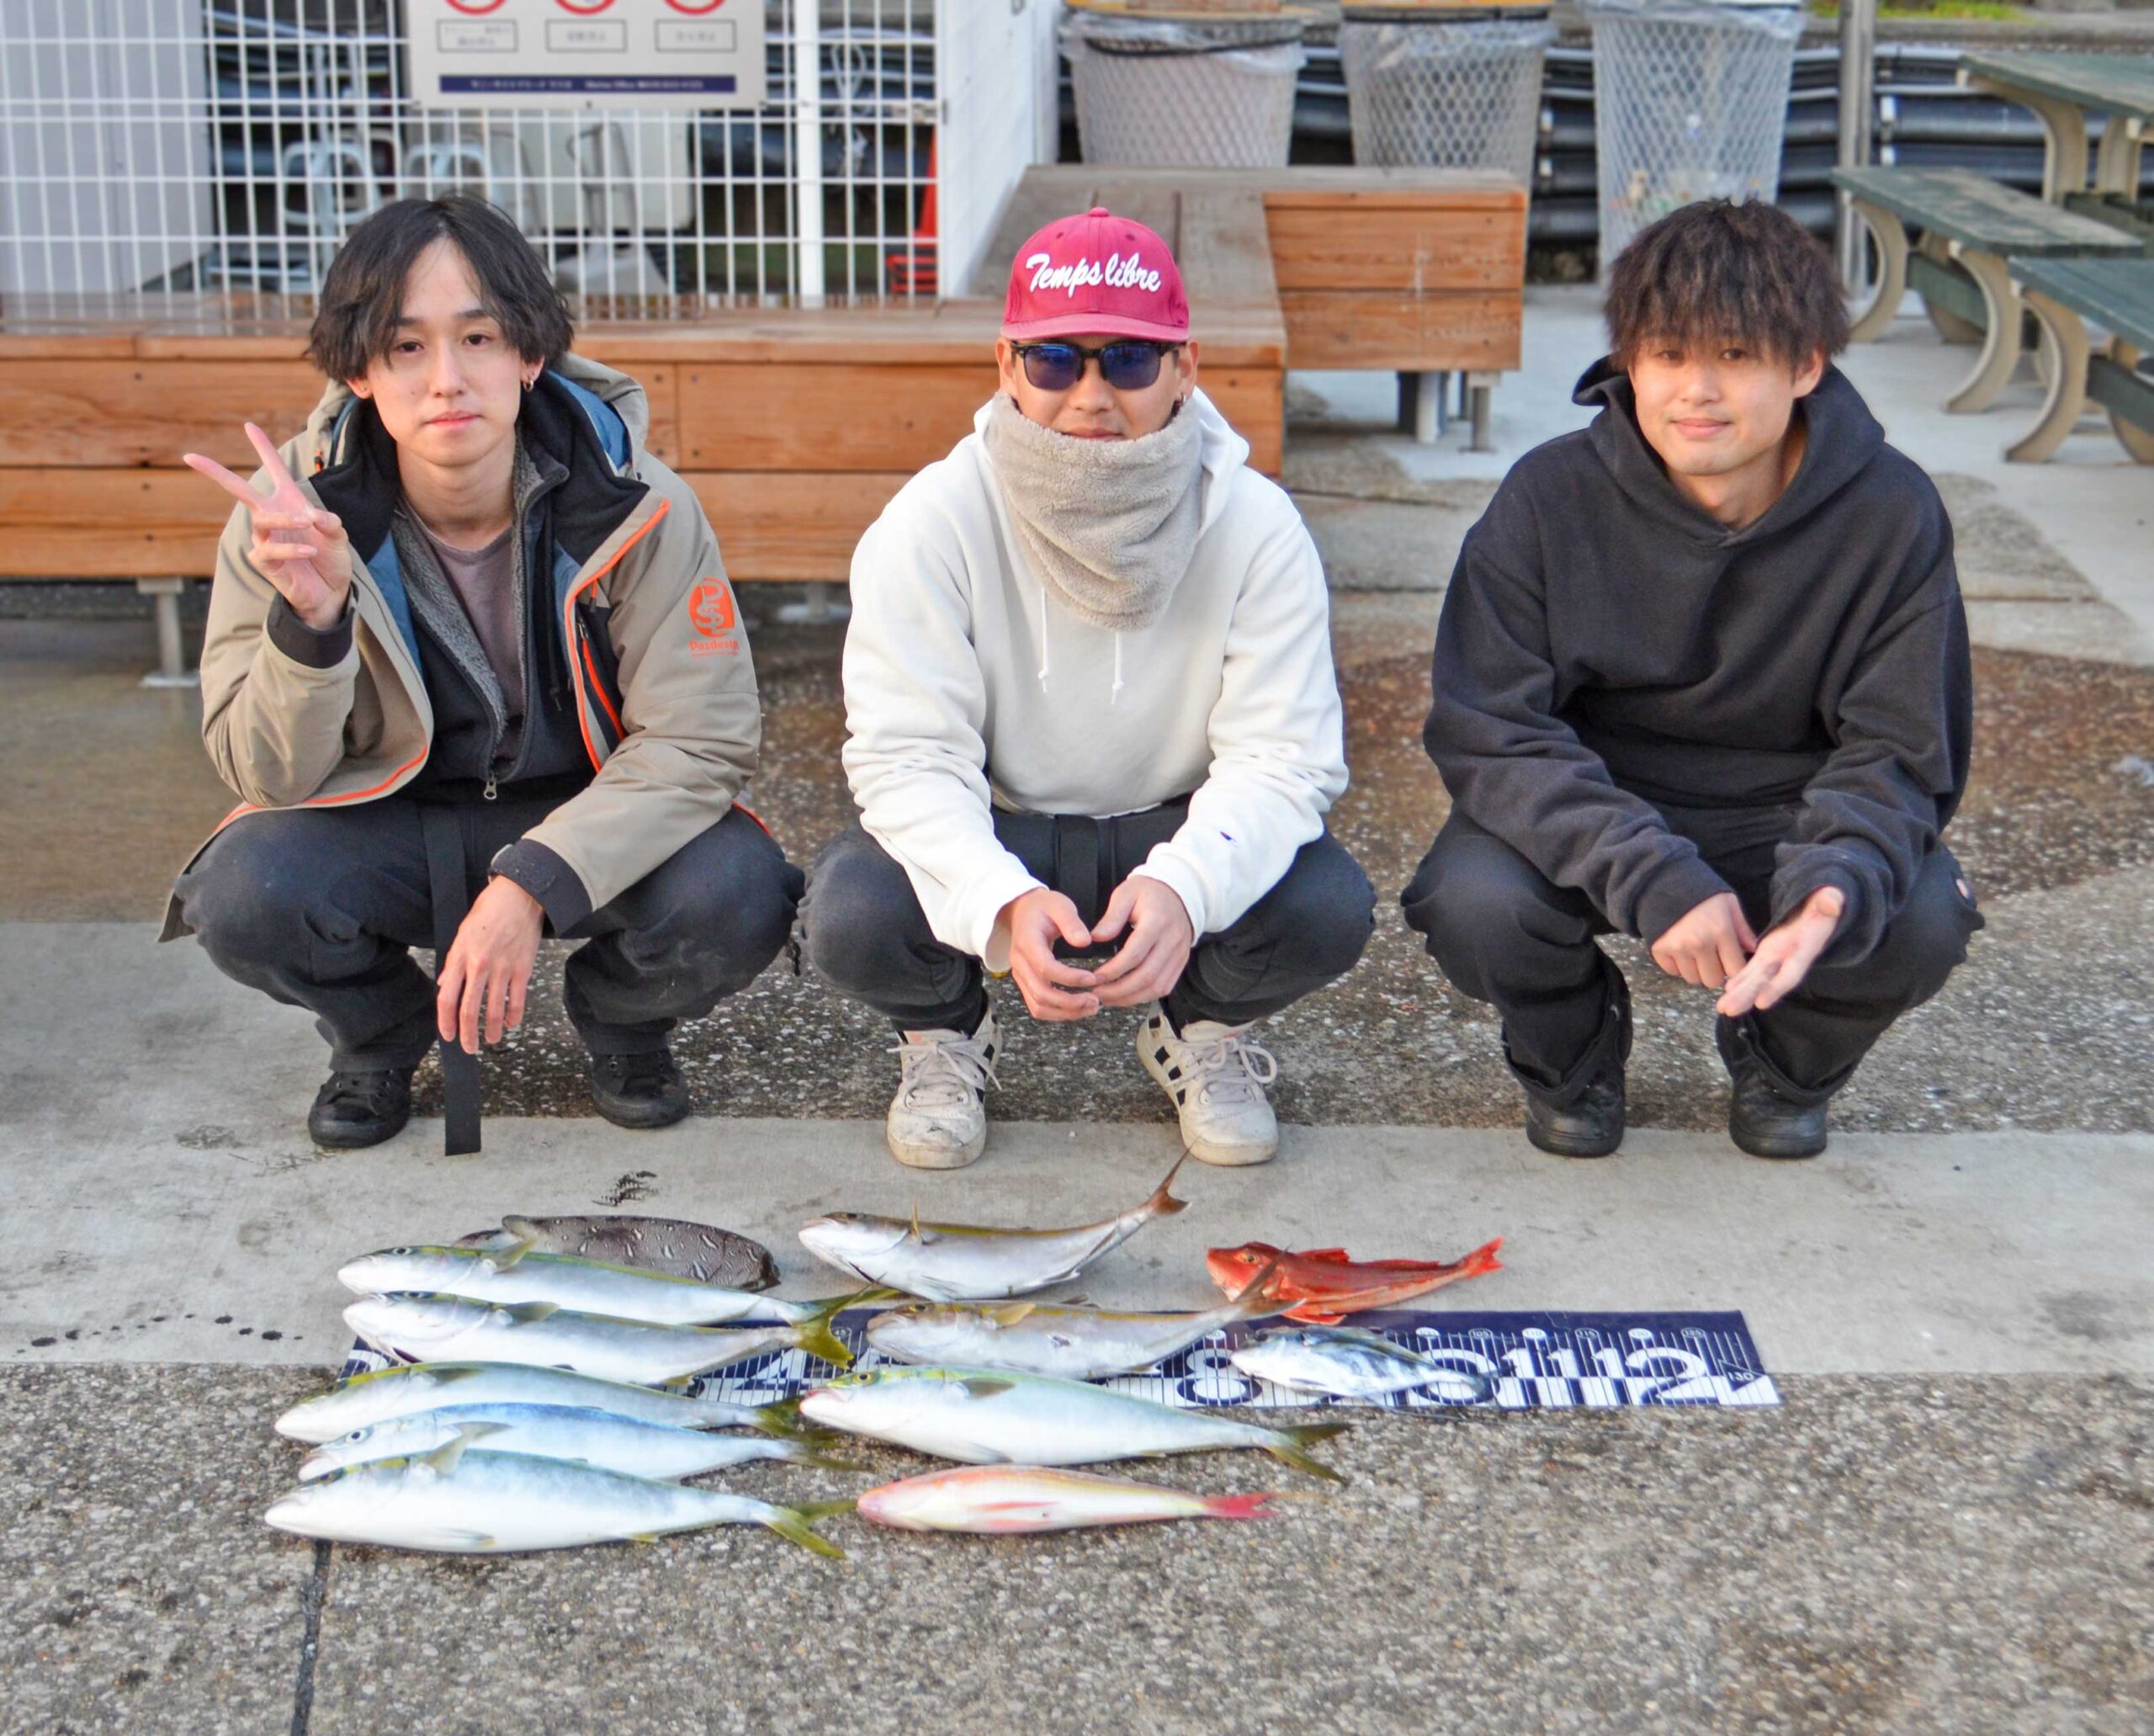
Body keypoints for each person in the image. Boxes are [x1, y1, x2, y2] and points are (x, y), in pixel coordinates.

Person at [163, 194, 800, 1150]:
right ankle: (381, 1037)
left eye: (479, 336)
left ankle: (624, 1022)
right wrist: (313, 618)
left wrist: (531, 883)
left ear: (530, 353)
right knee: (241, 891)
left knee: (742, 887)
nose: (448, 379)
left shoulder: (636, 503)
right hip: (392, 817)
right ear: (359, 370)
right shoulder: (288, 517)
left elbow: (698, 740)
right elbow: (267, 777)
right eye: (407, 347)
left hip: (583, 811)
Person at [1402, 199, 1982, 1161]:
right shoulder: (1546, 498)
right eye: (1667, 354)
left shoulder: (1891, 512)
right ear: (1630, 362)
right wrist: (1653, 874)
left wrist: (1833, 882)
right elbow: (1489, 728)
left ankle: (1782, 1055)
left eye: (1736, 355)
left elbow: (1900, 746)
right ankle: (1573, 1052)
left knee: (1916, 910)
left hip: (1789, 808)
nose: (1695, 390)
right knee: (1471, 899)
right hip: (1597, 800)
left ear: (1804, 366)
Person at [805, 207, 1372, 1171]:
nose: (1092, 394)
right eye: (1056, 360)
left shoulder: (1256, 523)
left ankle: (1200, 1029)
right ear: (1006, 365)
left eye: (1130, 361)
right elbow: (907, 754)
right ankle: (942, 1036)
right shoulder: (932, 520)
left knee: (1326, 901)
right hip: (1009, 822)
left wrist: (1186, 886)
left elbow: (1283, 756)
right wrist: (996, 900)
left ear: (1185, 367)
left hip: (1170, 821)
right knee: (851, 908)